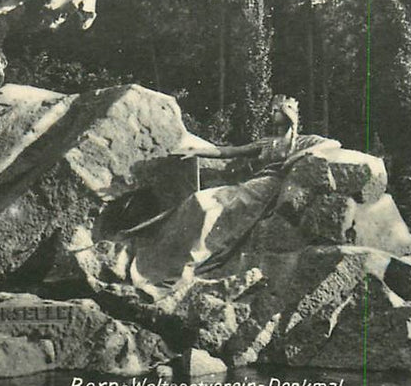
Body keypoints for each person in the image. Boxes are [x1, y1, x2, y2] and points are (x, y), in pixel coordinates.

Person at [126, 95, 334, 293]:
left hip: (267, 190)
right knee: (198, 200)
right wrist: (197, 151)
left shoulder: (304, 141)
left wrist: (301, 154)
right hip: (248, 186)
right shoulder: (266, 142)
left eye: (276, 110)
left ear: (288, 115)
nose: (271, 114)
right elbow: (228, 151)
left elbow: (333, 143)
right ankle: (162, 259)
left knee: (212, 216)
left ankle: (187, 265)